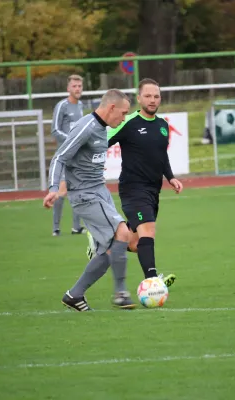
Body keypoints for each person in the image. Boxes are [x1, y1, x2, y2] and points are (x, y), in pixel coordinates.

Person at [43, 89, 134, 312]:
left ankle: (74, 295)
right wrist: (54, 188)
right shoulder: (86, 127)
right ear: (111, 107)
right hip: (85, 195)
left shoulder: (102, 127)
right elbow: (59, 157)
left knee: (113, 248)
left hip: (99, 191)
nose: (123, 119)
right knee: (122, 233)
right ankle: (121, 294)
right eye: (123, 113)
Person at [86, 78, 182, 288]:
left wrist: (171, 176)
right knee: (149, 231)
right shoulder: (129, 123)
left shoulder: (163, 125)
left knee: (136, 243)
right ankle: (153, 281)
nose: (152, 100)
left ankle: (102, 241)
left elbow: (161, 156)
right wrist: (92, 164)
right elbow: (100, 142)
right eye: (147, 96)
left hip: (153, 190)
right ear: (139, 98)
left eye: (156, 96)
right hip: (133, 189)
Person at [50, 75, 85, 237]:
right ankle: (56, 228)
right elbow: (55, 130)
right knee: (61, 192)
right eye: (74, 86)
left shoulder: (80, 105)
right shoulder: (62, 106)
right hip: (65, 155)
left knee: (79, 190)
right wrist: (72, 141)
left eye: (79, 86)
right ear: (68, 88)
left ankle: (76, 227)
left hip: (78, 157)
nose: (77, 89)